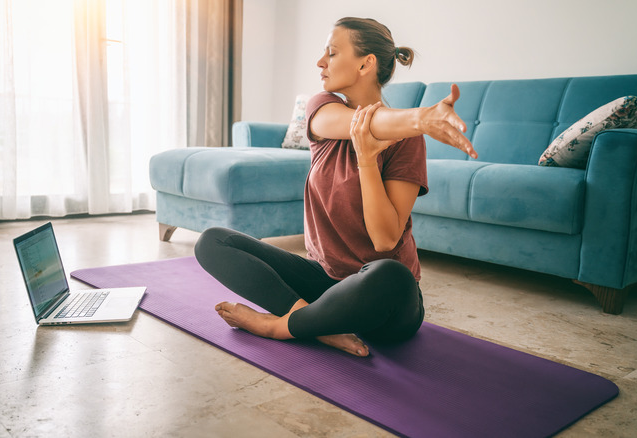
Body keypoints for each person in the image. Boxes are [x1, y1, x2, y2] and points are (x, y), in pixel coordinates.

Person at [195, 17, 476, 357]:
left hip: (380, 299)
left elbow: (385, 239)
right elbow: (365, 123)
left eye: (331, 52)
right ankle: (310, 321)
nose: (320, 62)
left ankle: (279, 326)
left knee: (391, 274)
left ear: (365, 63)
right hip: (323, 281)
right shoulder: (322, 107)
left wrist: (368, 161)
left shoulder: (407, 143)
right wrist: (420, 118)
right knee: (213, 241)